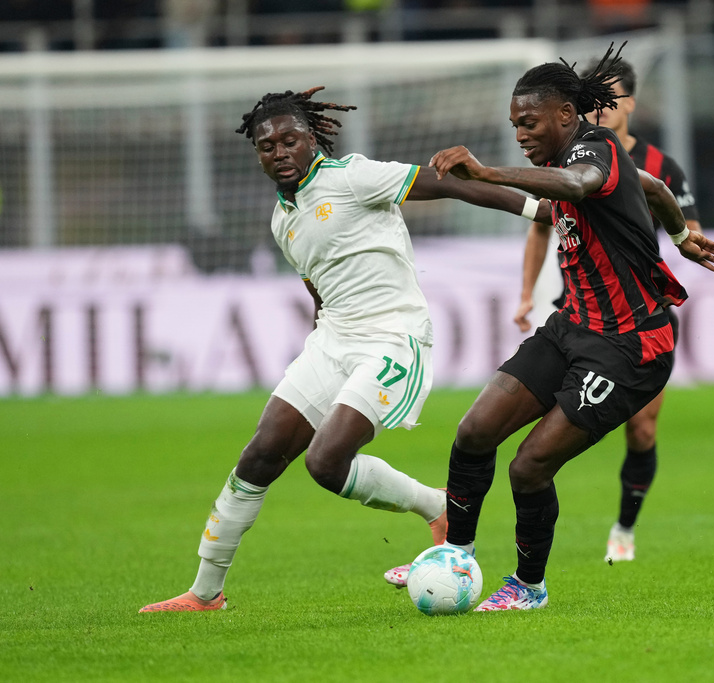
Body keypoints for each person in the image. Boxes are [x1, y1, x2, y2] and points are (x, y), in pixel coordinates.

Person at [139, 86, 553, 612]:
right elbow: (318, 286)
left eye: (291, 140)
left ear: (312, 140)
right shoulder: (281, 219)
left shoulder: (352, 178)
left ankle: (435, 508)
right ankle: (204, 594)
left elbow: (452, 187)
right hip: (332, 341)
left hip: (393, 340)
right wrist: (323, 340)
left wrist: (543, 212)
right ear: (259, 155)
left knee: (326, 462)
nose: (281, 152)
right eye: (268, 147)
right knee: (259, 457)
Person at [386, 43, 714, 611]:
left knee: (529, 465)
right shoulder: (566, 164)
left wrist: (489, 169)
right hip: (570, 327)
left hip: (630, 345)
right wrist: (681, 235)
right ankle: (457, 555)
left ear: (565, 115)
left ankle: (529, 587)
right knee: (473, 433)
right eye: (514, 124)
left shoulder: (596, 149)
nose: (520, 132)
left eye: (528, 121)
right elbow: (654, 188)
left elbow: (576, 188)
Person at [513, 58, 703, 564]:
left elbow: (677, 212)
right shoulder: (559, 156)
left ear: (631, 105)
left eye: (614, 99)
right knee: (540, 442)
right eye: (601, 99)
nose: (607, 108)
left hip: (634, 316)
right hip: (577, 312)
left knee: (641, 430)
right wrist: (527, 292)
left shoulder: (653, 164)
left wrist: (685, 240)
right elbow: (540, 223)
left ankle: (624, 527)